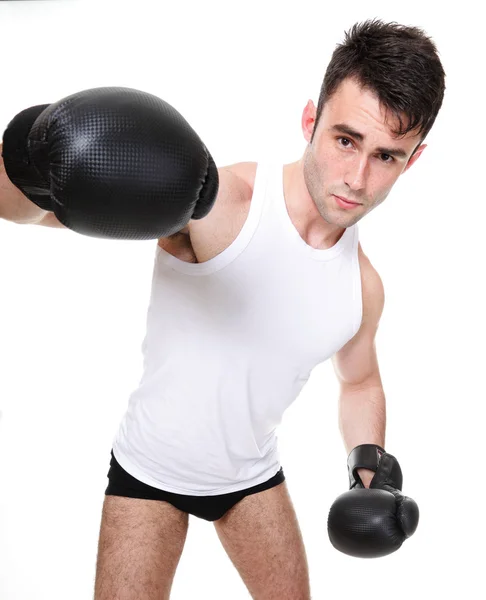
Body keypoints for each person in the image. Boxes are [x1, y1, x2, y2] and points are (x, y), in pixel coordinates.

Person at [0, 18, 445, 600]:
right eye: (345, 140)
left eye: (387, 157)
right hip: (148, 472)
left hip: (252, 481)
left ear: (411, 162)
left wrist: (371, 469)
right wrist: (28, 157)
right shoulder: (221, 205)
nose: (357, 179)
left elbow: (359, 381)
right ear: (310, 121)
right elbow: (30, 212)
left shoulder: (362, 287)